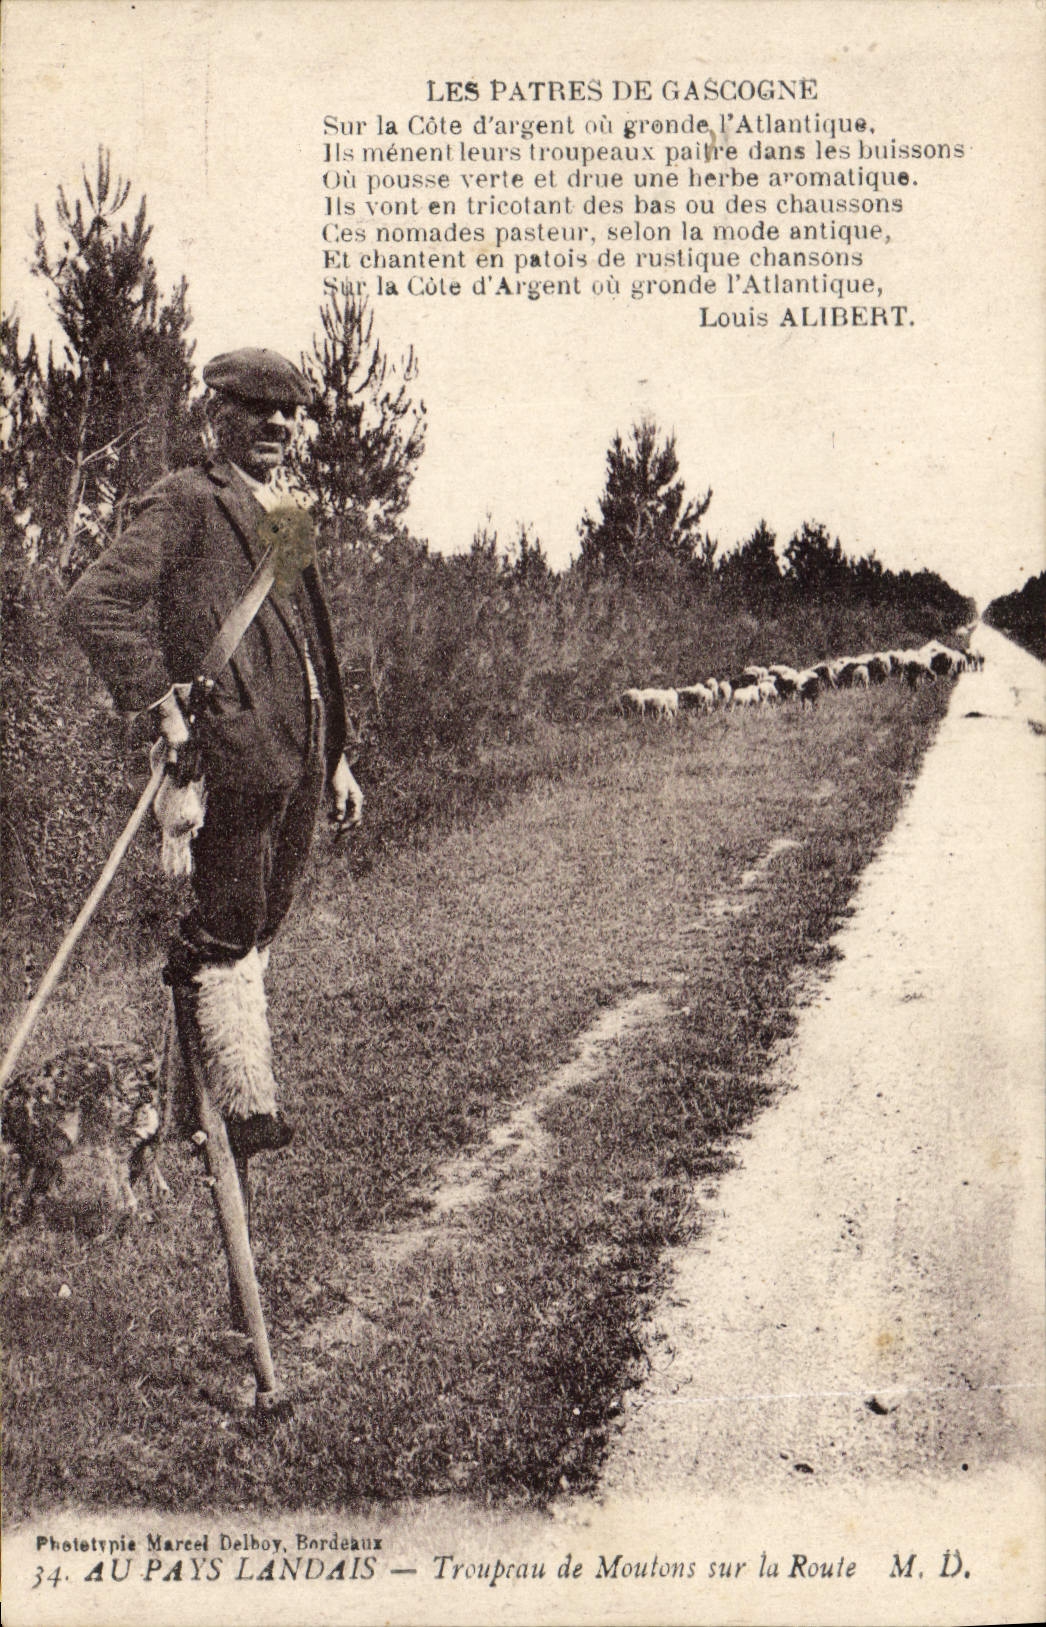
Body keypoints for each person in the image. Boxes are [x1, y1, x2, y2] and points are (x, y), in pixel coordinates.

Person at [61, 347, 363, 1156]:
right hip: (228, 753)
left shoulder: (288, 517)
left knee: (261, 923)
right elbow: (95, 603)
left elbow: (315, 645)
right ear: (216, 416)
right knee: (228, 928)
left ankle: (212, 1099)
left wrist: (337, 754)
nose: (276, 424)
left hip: (296, 756)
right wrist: (164, 710)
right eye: (256, 408)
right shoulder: (190, 499)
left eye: (289, 412)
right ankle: (239, 1105)